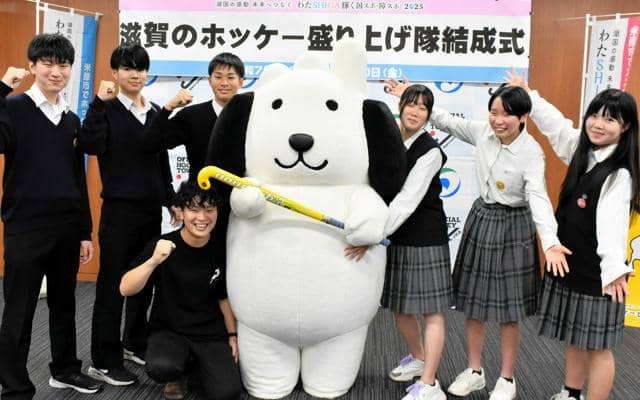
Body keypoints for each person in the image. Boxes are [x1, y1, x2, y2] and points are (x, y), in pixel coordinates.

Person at [384, 79, 570, 400]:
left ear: (522, 117)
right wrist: (410, 96)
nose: (498, 120)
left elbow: (539, 198)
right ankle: (474, 371)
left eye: (506, 114)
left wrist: (550, 241)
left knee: (509, 312)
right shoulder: (482, 132)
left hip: (514, 224)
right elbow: (446, 120)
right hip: (482, 218)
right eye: (493, 112)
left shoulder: (531, 153)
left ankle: (506, 379)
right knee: (473, 305)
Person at [507, 71, 639, 400]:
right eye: (595, 115)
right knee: (576, 337)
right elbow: (556, 125)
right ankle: (572, 392)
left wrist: (613, 270)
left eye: (610, 119)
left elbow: (612, 225)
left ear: (625, 127)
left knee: (598, 347)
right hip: (570, 262)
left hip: (599, 274)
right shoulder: (583, 149)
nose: (598, 124)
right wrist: (529, 95)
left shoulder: (619, 173)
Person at [0, 33, 102, 398]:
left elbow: (77, 177)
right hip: (26, 227)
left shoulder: (71, 118)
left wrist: (85, 231)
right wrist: (1, 88)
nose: (56, 71)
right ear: (32, 66)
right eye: (48, 63)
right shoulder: (13, 106)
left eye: (64, 65)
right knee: (19, 311)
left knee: (64, 304)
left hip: (66, 227)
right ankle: (14, 388)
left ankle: (65, 370)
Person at [78, 44, 175, 386]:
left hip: (150, 210)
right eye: (128, 68)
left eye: (141, 68)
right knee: (112, 286)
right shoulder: (106, 109)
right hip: (119, 211)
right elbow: (89, 144)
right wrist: (96, 103)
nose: (135, 74)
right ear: (116, 73)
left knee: (144, 280)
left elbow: (160, 161)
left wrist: (171, 199)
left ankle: (134, 342)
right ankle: (104, 361)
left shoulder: (153, 112)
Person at [120, 181, 242, 400]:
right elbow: (125, 288)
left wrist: (232, 336)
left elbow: (223, 297)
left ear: (217, 212)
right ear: (181, 212)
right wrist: (154, 261)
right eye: (194, 210)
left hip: (209, 333)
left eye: (209, 210)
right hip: (169, 331)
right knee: (161, 367)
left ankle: (196, 365)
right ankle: (179, 373)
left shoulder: (221, 248)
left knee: (227, 392)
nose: (202, 218)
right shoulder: (163, 244)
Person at [374, 84, 454, 400]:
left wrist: (374, 234)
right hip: (398, 234)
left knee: (432, 312)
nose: (416, 112)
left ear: (429, 115)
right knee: (399, 307)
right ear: (401, 106)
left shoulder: (430, 151)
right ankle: (419, 358)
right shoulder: (391, 140)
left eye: (423, 108)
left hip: (425, 237)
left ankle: (430, 384)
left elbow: (408, 200)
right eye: (411, 104)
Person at [142, 52, 245, 181]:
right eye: (218, 77)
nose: (224, 83)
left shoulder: (252, 116)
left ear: (241, 82)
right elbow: (150, 145)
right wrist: (168, 108)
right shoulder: (191, 116)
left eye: (230, 77)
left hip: (243, 192)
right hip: (200, 191)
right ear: (210, 80)